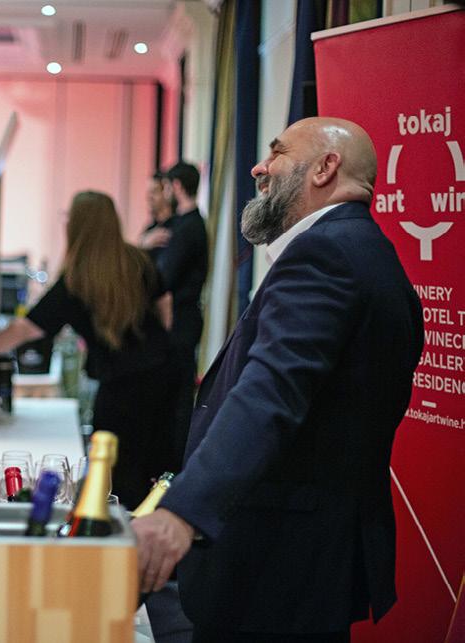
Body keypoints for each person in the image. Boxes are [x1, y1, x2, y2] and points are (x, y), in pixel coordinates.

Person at [132, 117, 424, 642]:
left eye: (278, 153)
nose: (258, 167)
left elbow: (269, 394)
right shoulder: (369, 251)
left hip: (276, 563)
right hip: (311, 557)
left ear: (325, 167)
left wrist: (182, 514)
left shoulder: (326, 254)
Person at [0, 190, 179, 508]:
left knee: (114, 476)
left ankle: (119, 532)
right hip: (163, 375)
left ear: (77, 226)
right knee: (157, 472)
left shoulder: (76, 280)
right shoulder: (137, 260)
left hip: (119, 388)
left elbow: (27, 328)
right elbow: (165, 305)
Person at [151, 161, 208, 471]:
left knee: (178, 399)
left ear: (175, 187)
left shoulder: (189, 227)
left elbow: (164, 276)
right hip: (181, 319)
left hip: (181, 322)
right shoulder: (184, 224)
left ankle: (173, 469)